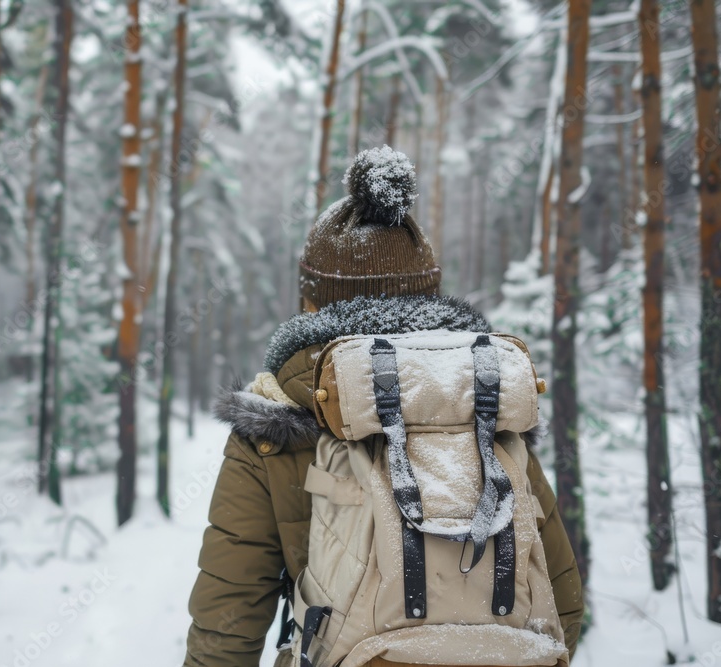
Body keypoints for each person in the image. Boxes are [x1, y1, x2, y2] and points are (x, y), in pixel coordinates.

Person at [183, 147, 584, 667]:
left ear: (312, 302)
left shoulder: (276, 424)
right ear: (429, 296)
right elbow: (562, 603)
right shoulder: (490, 406)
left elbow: (227, 622)